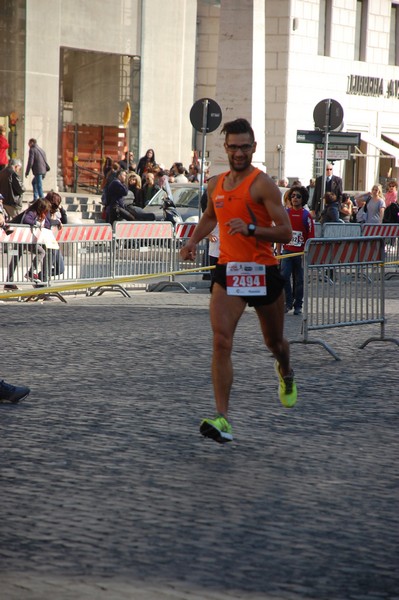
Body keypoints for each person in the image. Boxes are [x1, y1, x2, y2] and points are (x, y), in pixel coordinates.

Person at [180, 118, 297, 444]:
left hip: (262, 271)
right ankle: (223, 419)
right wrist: (191, 243)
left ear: (254, 148)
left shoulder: (263, 185)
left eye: (245, 146)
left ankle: (286, 372)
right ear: (226, 148)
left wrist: (250, 229)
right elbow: (209, 217)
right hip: (229, 271)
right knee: (221, 341)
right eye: (233, 146)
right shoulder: (215, 184)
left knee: (274, 344)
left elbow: (286, 232)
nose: (239, 152)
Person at [279, 186, 314, 316]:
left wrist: (307, 252)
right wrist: (278, 251)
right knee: (284, 276)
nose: (295, 198)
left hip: (300, 253)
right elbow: (280, 232)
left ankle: (298, 304)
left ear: (303, 199)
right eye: (293, 196)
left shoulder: (306, 215)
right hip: (287, 251)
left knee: (299, 279)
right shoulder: (286, 213)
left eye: (298, 196)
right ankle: (288, 302)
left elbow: (311, 235)